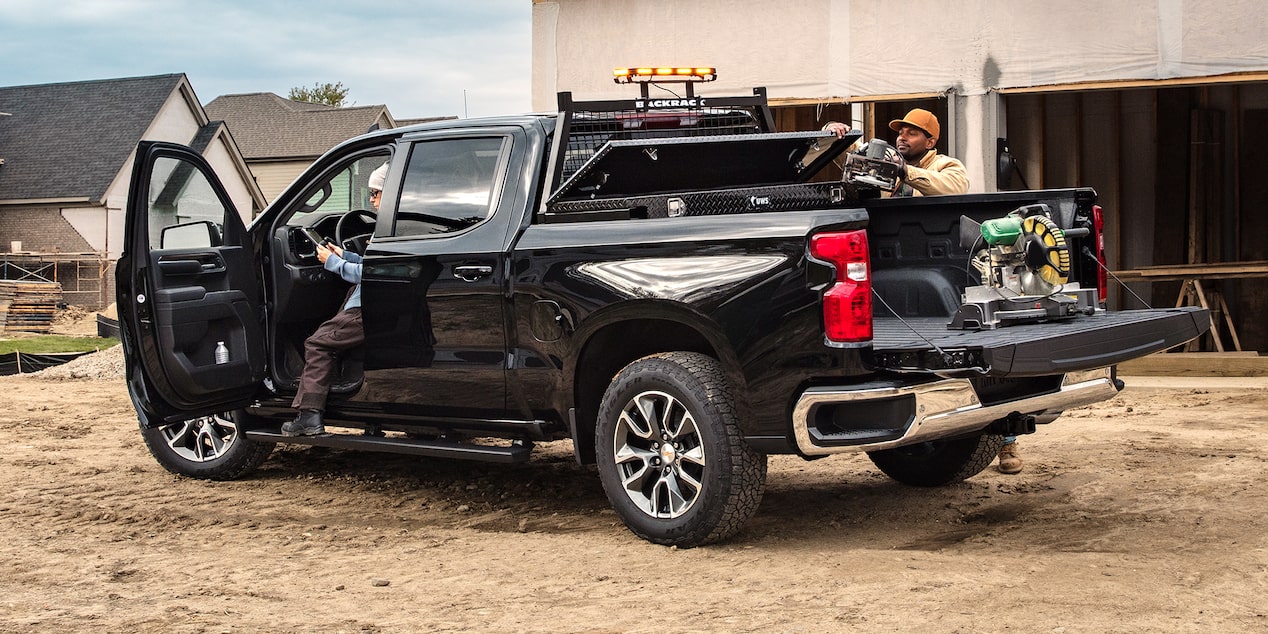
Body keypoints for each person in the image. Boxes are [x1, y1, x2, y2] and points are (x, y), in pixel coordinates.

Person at [281, 162, 387, 437]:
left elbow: (373, 275)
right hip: (384, 305)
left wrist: (333, 264)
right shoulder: (397, 226)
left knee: (317, 343)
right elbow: (374, 264)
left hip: (369, 306)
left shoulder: (388, 230)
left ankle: (309, 416)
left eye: (376, 193)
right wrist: (344, 255)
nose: (372, 200)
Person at [823, 108, 969, 196]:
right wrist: (832, 131)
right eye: (900, 133)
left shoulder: (946, 164)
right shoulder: (889, 161)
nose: (902, 138)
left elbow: (956, 187)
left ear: (930, 142)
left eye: (912, 133)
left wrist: (904, 171)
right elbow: (852, 152)